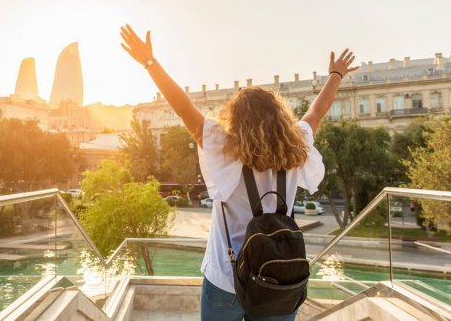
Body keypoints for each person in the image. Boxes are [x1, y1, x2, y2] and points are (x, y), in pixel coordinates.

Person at [120, 24, 359, 320]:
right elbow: (317, 112)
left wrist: (150, 63)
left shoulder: (223, 148)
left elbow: (182, 107)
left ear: (235, 118)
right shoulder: (297, 148)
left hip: (226, 279)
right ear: (280, 116)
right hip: (280, 278)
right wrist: (336, 75)